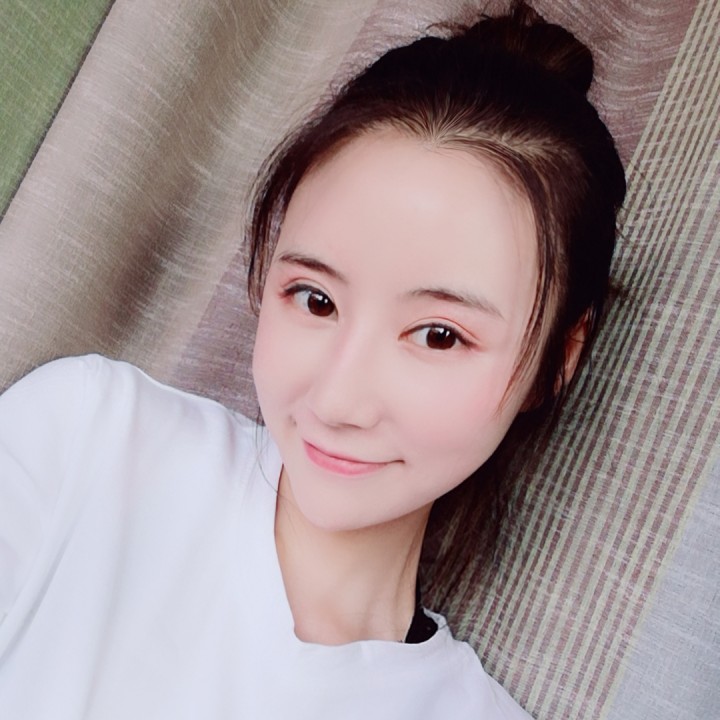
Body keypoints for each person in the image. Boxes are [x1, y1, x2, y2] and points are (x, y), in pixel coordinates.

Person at [0, 1, 625, 717]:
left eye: (438, 336)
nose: (335, 402)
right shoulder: (88, 442)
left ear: (557, 359)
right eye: (316, 300)